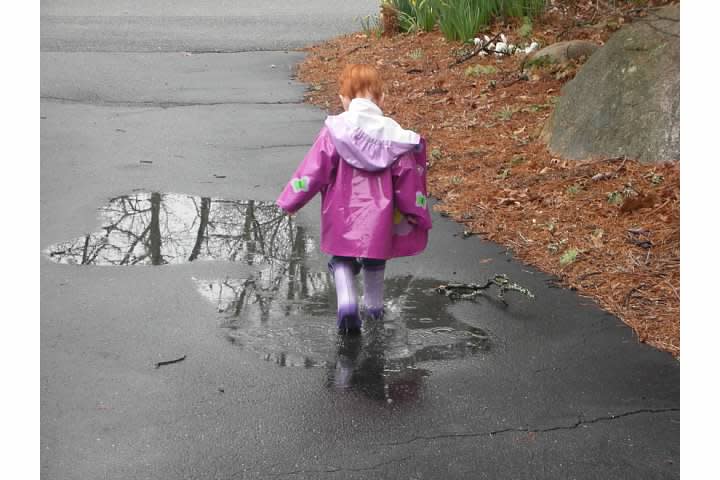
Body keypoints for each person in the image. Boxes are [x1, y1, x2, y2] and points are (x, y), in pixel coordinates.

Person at [276, 64, 431, 334]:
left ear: (344, 100)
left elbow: (313, 170)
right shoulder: (394, 137)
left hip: (341, 213)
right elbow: (407, 177)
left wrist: (291, 200)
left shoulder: (335, 131)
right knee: (374, 259)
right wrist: (414, 212)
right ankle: (373, 307)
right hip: (380, 219)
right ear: (381, 100)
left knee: (342, 259)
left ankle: (347, 302)